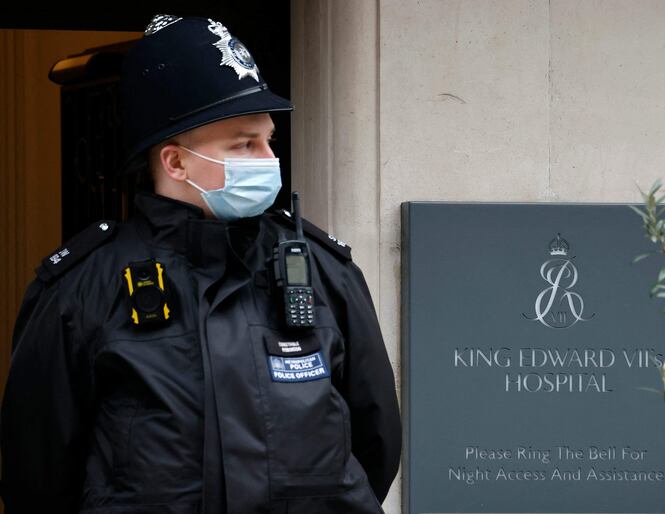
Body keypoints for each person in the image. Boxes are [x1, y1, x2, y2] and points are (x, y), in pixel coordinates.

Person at [0, 14, 401, 514]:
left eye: (268, 139)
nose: (267, 157)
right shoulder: (82, 288)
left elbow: (375, 443)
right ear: (175, 162)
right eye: (243, 144)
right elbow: (36, 477)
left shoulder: (323, 270)